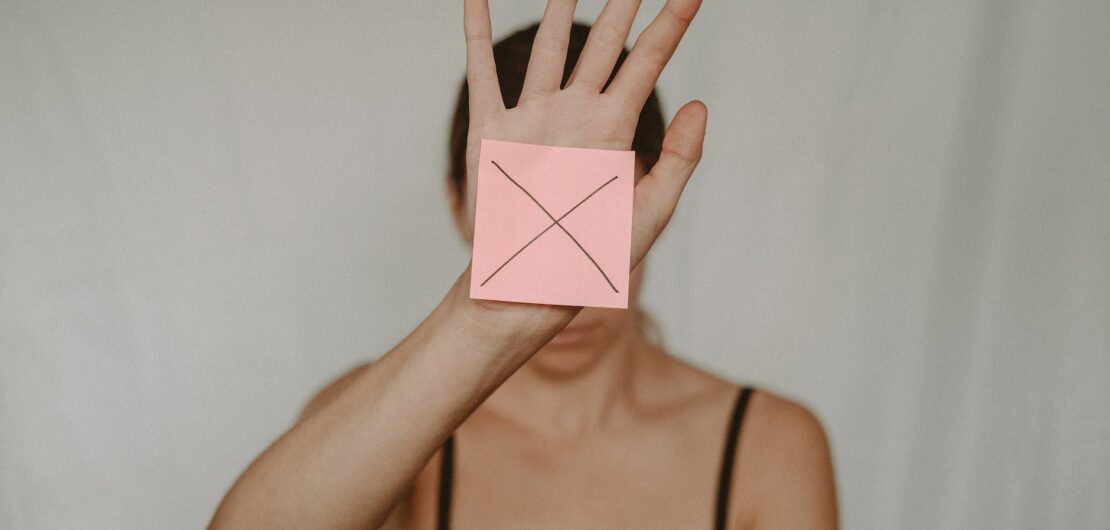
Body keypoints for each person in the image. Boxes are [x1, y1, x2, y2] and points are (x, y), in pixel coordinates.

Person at [210, 1, 837, 528]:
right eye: (518, 210)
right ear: (459, 207)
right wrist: (484, 318)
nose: (568, 293)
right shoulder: (379, 421)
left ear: (656, 207)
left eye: (596, 209)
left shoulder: (769, 445)